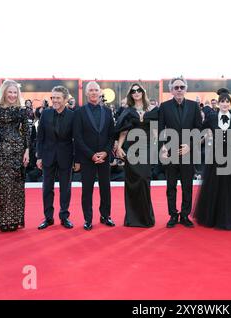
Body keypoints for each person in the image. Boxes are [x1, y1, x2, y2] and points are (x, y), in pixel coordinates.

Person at [193, 89, 231, 230]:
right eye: (222, 101)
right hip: (216, 154)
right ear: (219, 103)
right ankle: (214, 217)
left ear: (230, 103)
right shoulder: (211, 117)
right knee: (215, 186)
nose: (224, 104)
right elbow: (200, 129)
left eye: (227, 101)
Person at [0, 80, 31, 232]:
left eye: (15, 93)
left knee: (15, 186)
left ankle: (14, 220)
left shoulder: (22, 111)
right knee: (0, 186)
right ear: (4, 92)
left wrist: (27, 151)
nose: (12, 95)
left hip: (17, 152)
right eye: (9, 92)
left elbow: (26, 133)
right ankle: (1, 221)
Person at [158, 76, 202, 228]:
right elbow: (159, 129)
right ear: (171, 90)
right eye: (176, 87)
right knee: (171, 186)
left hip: (187, 153)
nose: (179, 90)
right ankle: (172, 215)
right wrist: (162, 146)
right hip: (170, 152)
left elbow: (198, 130)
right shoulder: (164, 107)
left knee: (187, 186)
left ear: (186, 89)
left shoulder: (194, 106)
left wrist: (190, 145)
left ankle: (184, 215)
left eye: (181, 87)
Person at [74, 81, 115, 231]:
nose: (93, 92)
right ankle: (88, 219)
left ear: (100, 93)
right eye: (90, 90)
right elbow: (77, 137)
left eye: (95, 90)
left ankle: (105, 216)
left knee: (106, 188)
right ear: (86, 93)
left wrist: (105, 152)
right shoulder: (79, 112)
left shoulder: (108, 111)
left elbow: (111, 135)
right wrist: (91, 155)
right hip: (87, 158)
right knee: (87, 190)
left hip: (104, 157)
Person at [115, 83, 156, 227]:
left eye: (139, 90)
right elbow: (123, 131)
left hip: (148, 147)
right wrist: (119, 147)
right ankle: (132, 219)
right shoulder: (128, 111)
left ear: (143, 92)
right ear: (131, 94)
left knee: (144, 179)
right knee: (132, 182)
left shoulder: (153, 109)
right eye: (133, 91)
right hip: (132, 149)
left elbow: (156, 132)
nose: (136, 92)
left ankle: (146, 218)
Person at [36, 86, 77, 230]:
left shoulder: (73, 116)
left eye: (58, 98)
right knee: (47, 188)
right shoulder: (45, 114)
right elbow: (40, 137)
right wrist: (39, 156)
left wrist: (76, 159)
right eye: (53, 97)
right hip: (47, 156)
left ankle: (64, 217)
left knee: (65, 188)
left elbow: (76, 139)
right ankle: (48, 218)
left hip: (66, 156)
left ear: (65, 100)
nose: (55, 100)